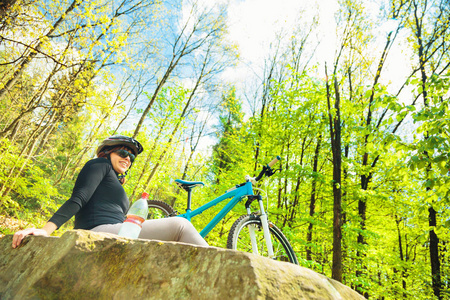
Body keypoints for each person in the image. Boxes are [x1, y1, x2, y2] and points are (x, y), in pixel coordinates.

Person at [12, 135, 208, 248]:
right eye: (123, 153)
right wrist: (45, 231)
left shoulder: (115, 180)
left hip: (118, 230)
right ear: (107, 152)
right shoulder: (99, 164)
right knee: (180, 225)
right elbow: (79, 198)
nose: (128, 159)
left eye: (131, 157)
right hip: (97, 231)